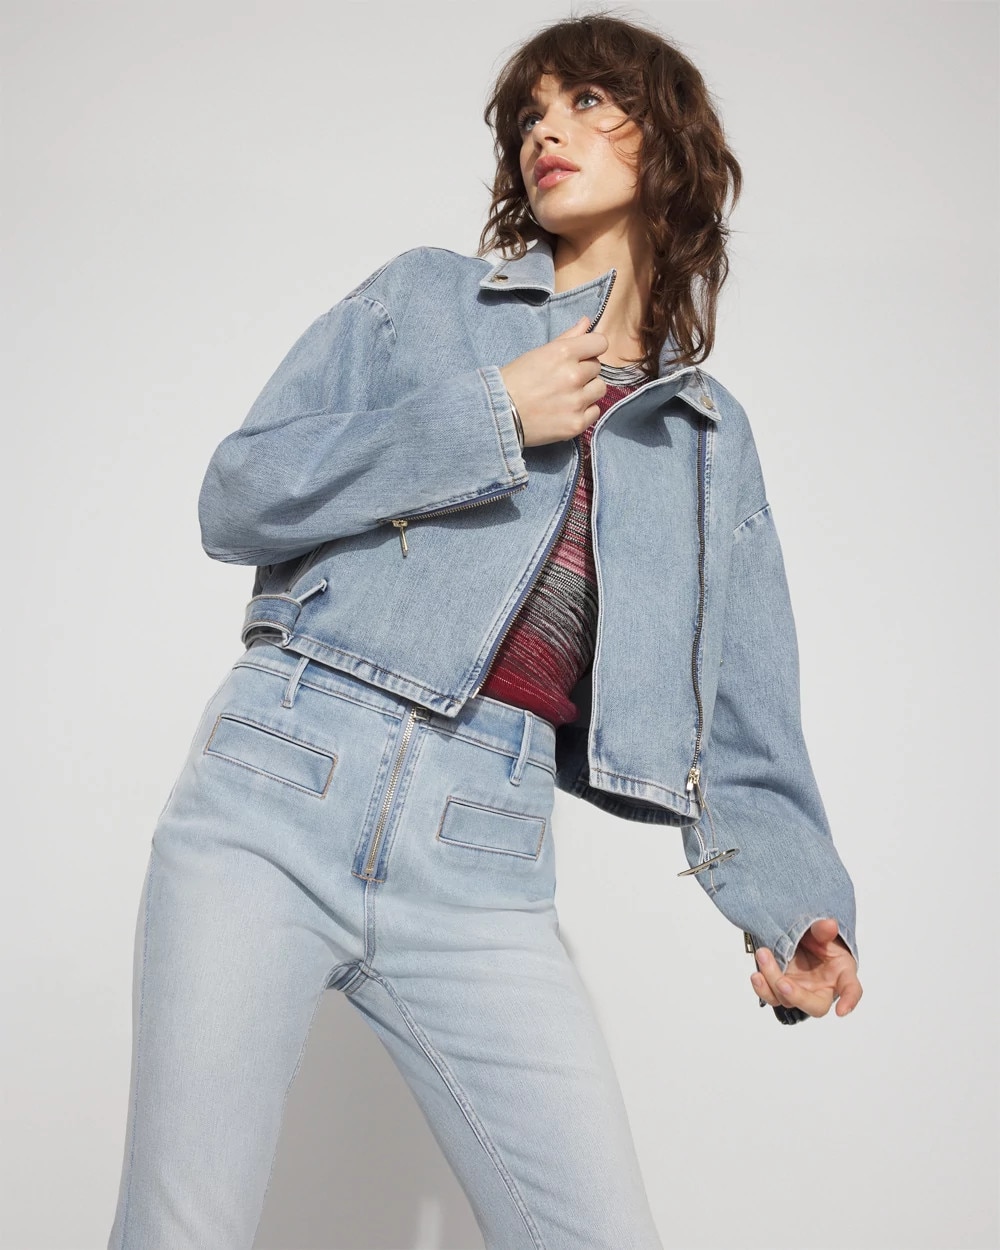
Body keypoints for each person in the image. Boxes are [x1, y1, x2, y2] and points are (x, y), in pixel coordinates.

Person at [107, 11, 863, 1250]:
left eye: (588, 102)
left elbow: (739, 709)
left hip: (486, 855)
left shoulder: (705, 438)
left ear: (669, 142)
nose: (545, 131)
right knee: (181, 1228)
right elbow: (237, 495)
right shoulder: (423, 300)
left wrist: (797, 906)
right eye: (530, 114)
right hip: (273, 792)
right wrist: (487, 415)